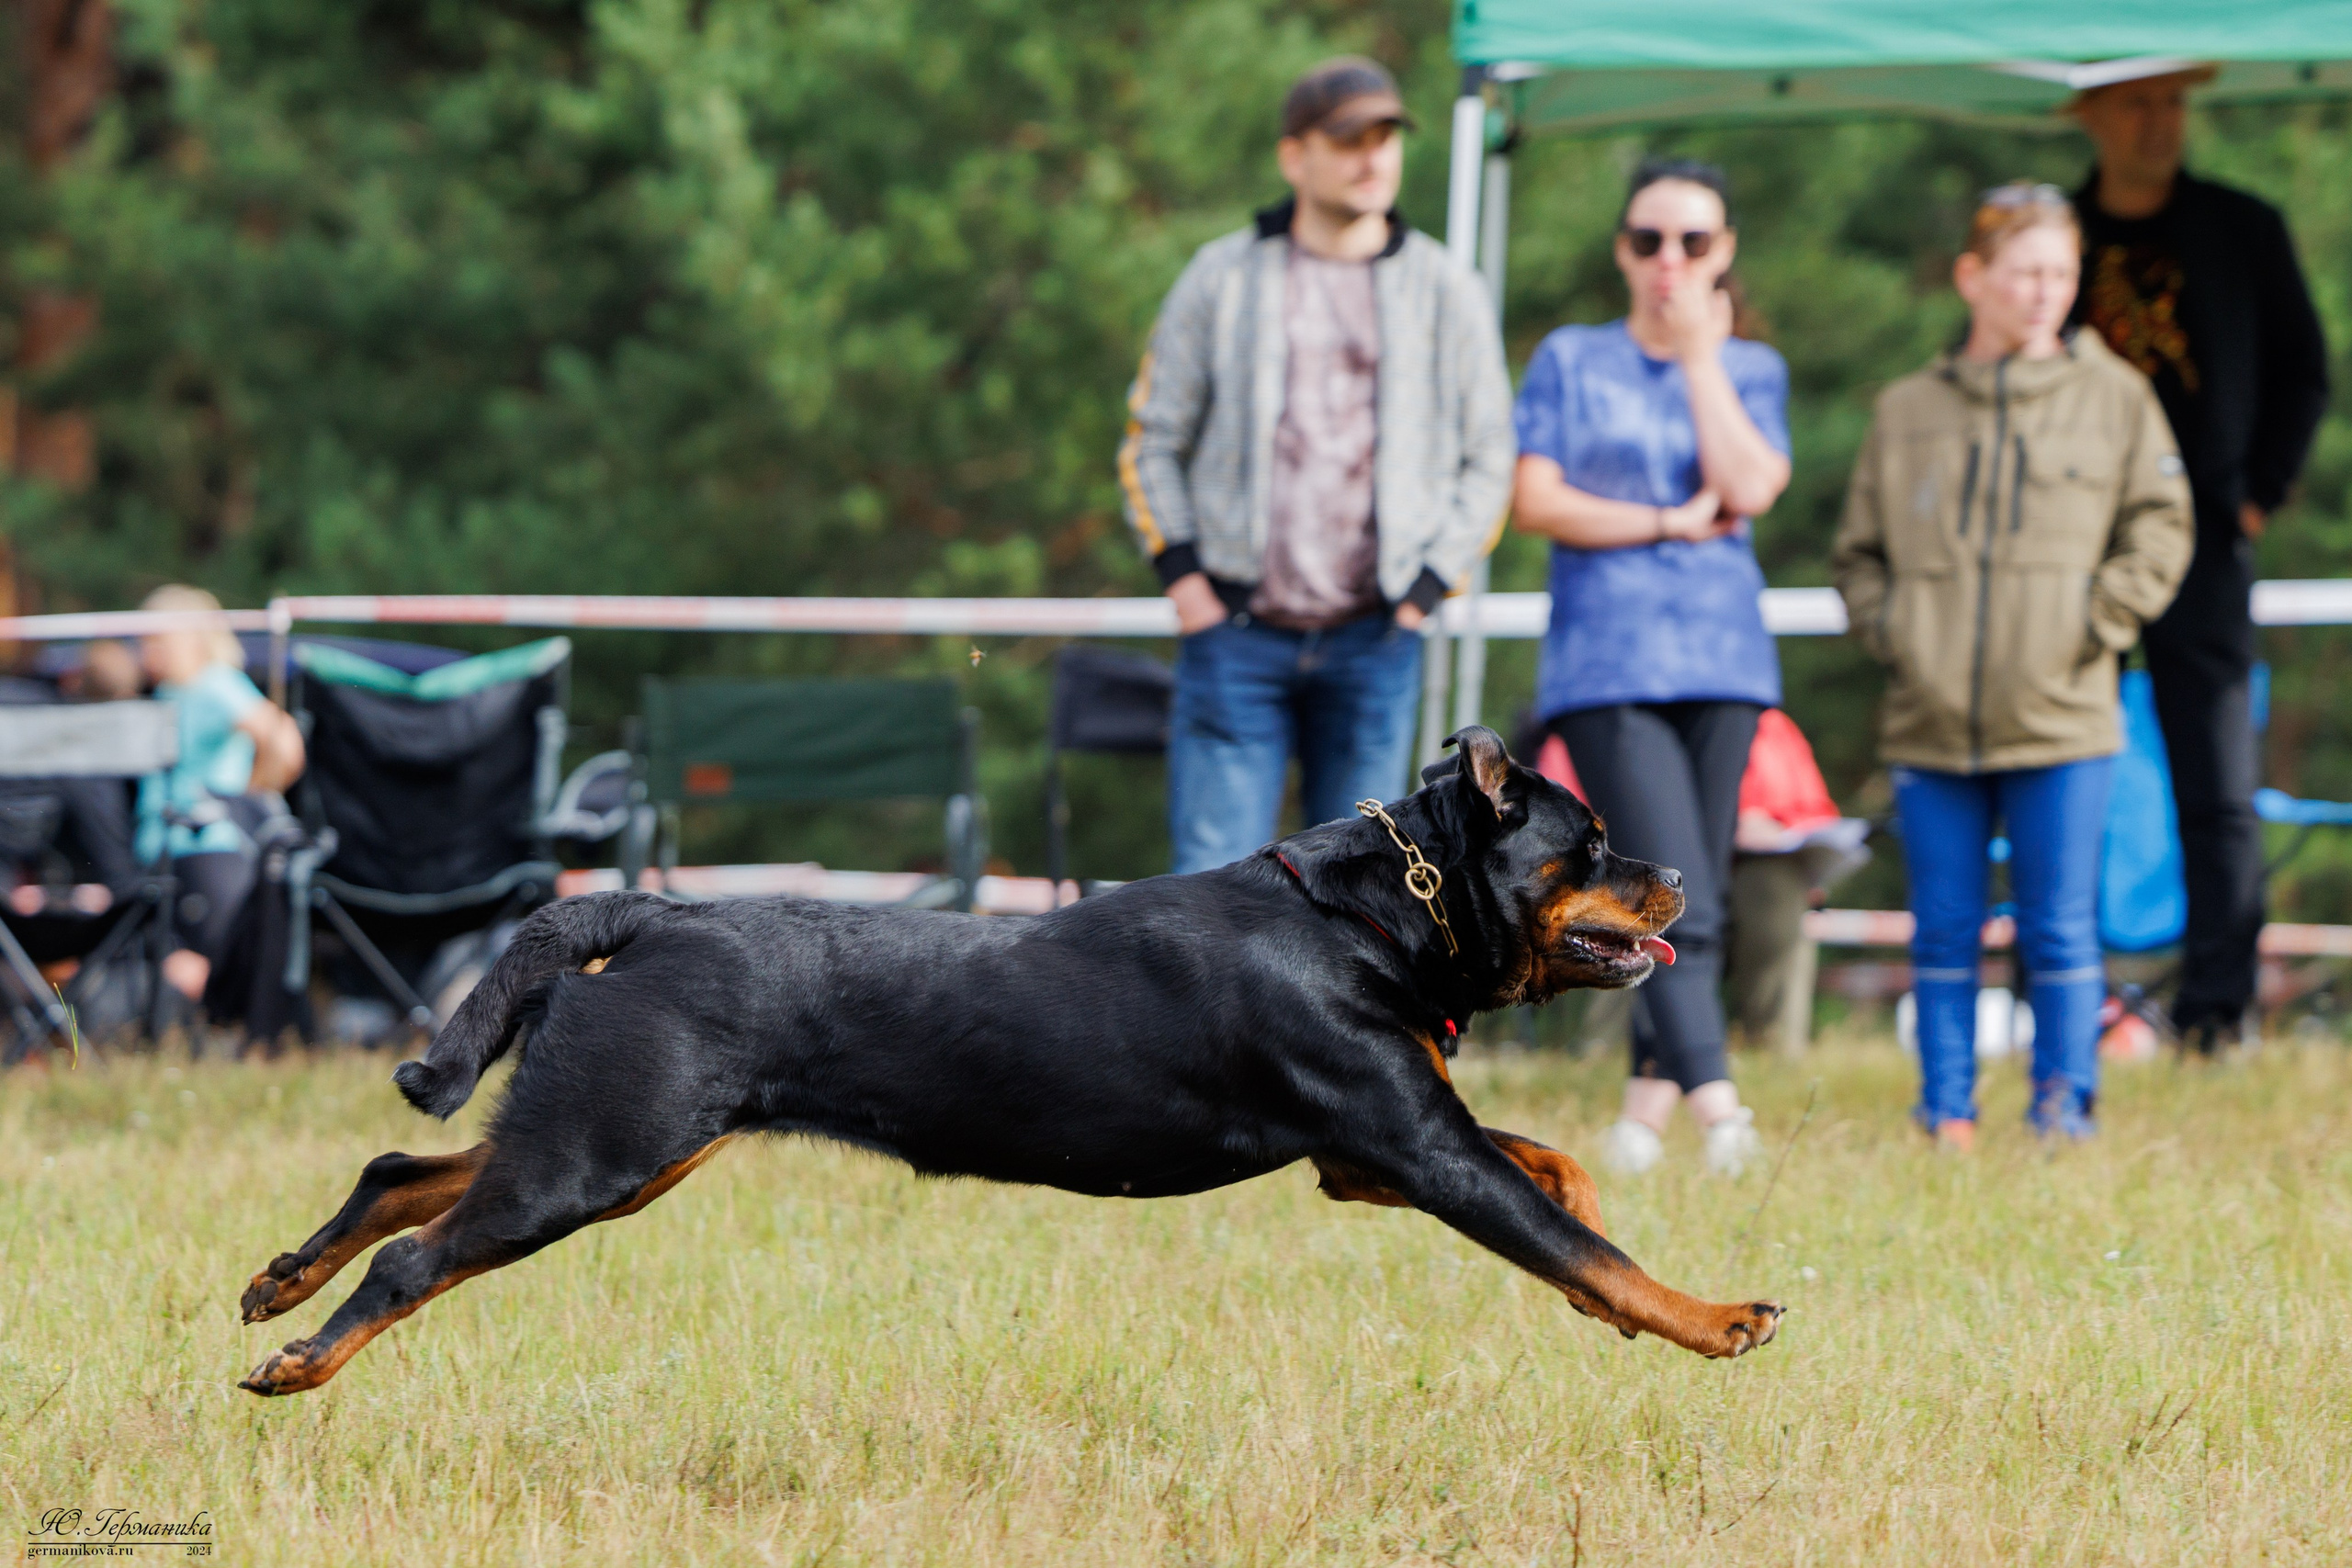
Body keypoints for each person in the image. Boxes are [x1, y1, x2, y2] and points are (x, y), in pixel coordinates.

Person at [1833, 184, 2191, 1147]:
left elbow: (2161, 528)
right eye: (2027, 272)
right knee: (1943, 931)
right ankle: (1944, 1113)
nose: (2045, 293)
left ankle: (2061, 1109)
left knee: (2061, 929)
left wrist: (2096, 621)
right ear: (1972, 277)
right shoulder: (1908, 407)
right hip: (1932, 721)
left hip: (2065, 716)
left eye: (2061, 274)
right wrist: (1899, 636)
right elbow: (1857, 554)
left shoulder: (2115, 396)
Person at [1119, 56, 1515, 873]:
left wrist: (1424, 589)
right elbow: (1148, 440)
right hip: (1233, 635)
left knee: (1361, 893)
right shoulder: (1219, 277)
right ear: (1294, 156)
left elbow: (1491, 458)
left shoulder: (1447, 287)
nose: (1373, 157)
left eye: (1386, 137)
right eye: (1348, 140)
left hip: (1377, 637)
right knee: (1210, 884)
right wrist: (1187, 579)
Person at [1510, 157, 1791, 1177]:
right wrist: (1667, 522)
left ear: (1723, 254)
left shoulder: (1750, 368)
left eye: (1694, 242)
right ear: (1621, 250)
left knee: (1690, 881)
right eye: (1647, 241)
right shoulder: (1571, 359)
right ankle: (1723, 1112)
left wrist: (1701, 361)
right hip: (1607, 662)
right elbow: (1534, 499)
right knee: (1674, 887)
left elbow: (1751, 483)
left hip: (1722, 659)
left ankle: (1641, 1117)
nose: (1669, 262)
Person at [2066, 66, 2332, 1055]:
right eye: (2135, 103)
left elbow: (2304, 371)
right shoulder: (2055, 236)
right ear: (2088, 115)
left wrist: (2254, 495)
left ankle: (2216, 1016)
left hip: (2205, 537)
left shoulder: (2239, 227)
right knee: (2057, 771)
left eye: (2172, 103)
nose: (2158, 123)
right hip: (2071, 552)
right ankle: (2065, 1003)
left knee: (2216, 786)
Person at [134, 585, 305, 1005]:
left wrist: (250, 796)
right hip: (171, 856)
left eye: (154, 639)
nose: (144, 651)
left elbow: (285, 742)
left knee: (212, 968)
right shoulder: (169, 692)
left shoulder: (215, 684)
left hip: (209, 851)